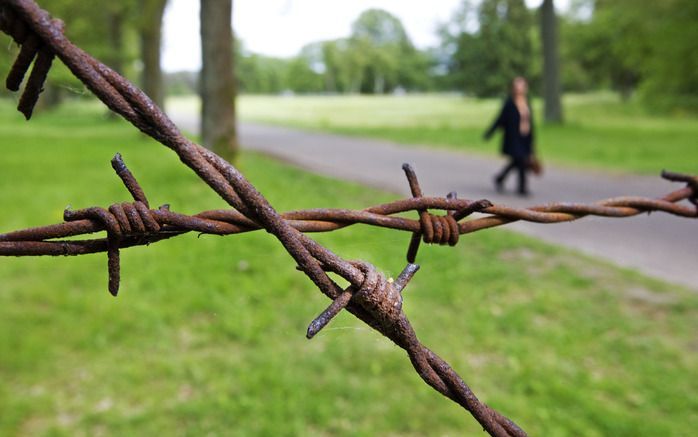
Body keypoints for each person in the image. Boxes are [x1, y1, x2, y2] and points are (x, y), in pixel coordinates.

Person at [484, 77, 535, 196]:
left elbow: (530, 122)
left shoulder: (527, 102)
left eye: (522, 85)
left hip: (525, 137)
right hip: (513, 138)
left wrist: (532, 140)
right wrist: (490, 132)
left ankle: (500, 178)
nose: (520, 88)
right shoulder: (509, 103)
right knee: (520, 160)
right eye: (517, 86)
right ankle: (522, 188)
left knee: (517, 161)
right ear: (513, 88)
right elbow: (501, 119)